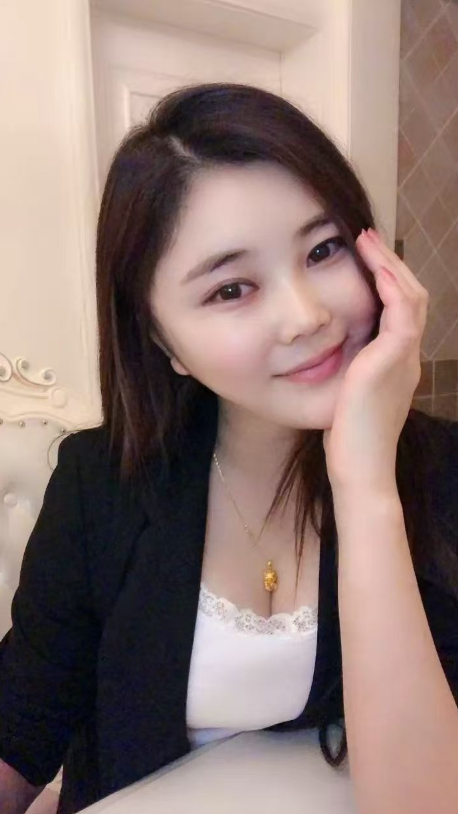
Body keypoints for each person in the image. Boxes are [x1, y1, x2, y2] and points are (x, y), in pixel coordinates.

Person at [0, 82, 457, 814]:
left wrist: (366, 485)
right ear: (162, 341)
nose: (306, 316)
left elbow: (424, 800)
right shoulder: (101, 486)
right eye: (232, 290)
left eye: (324, 249)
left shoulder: (438, 473)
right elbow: (19, 735)